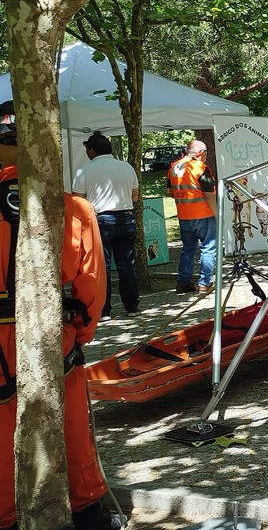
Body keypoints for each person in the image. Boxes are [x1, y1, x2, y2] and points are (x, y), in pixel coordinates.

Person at [0, 101, 121, 530]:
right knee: (70, 432)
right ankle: (86, 512)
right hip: (53, 337)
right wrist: (80, 336)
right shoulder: (73, 209)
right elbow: (91, 288)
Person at [71, 132, 140, 319]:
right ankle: (132, 306)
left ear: (92, 150)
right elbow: (135, 196)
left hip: (99, 219)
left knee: (103, 267)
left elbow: (77, 200)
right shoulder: (126, 167)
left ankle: (104, 310)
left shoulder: (84, 170)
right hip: (125, 217)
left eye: (87, 149)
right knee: (127, 265)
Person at [167, 140, 217, 293]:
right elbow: (209, 194)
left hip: (184, 215)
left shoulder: (174, 167)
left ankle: (183, 283)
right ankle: (205, 283)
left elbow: (169, 192)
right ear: (202, 153)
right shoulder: (201, 168)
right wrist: (217, 213)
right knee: (208, 248)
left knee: (188, 249)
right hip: (203, 214)